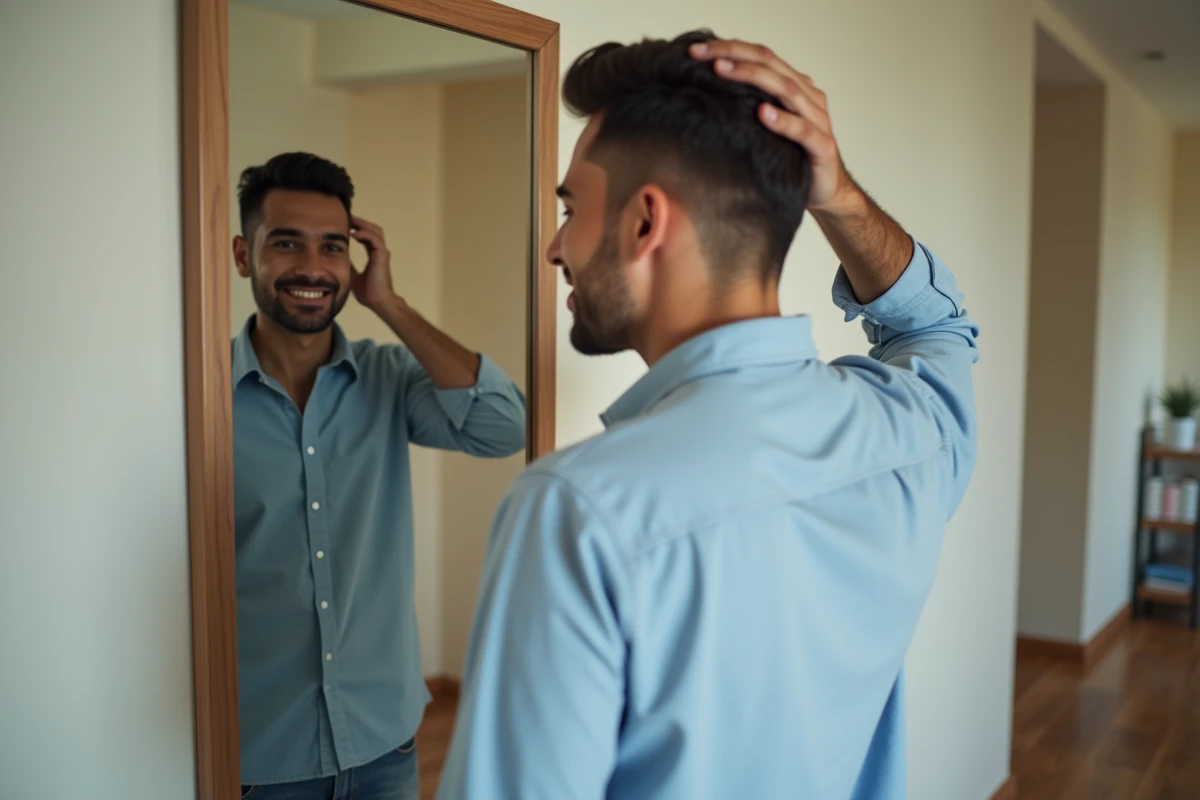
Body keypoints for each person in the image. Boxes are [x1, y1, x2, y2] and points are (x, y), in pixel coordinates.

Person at [438, 30, 979, 799]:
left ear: (644, 223)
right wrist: (841, 196)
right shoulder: (914, 435)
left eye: (570, 208)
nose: (556, 247)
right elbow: (937, 326)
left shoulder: (579, 509)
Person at [230, 152, 526, 799]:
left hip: (383, 745)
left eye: (332, 247)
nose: (311, 268)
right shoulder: (198, 394)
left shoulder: (391, 378)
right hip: (259, 756)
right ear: (241, 255)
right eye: (286, 244)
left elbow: (505, 425)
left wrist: (388, 302)